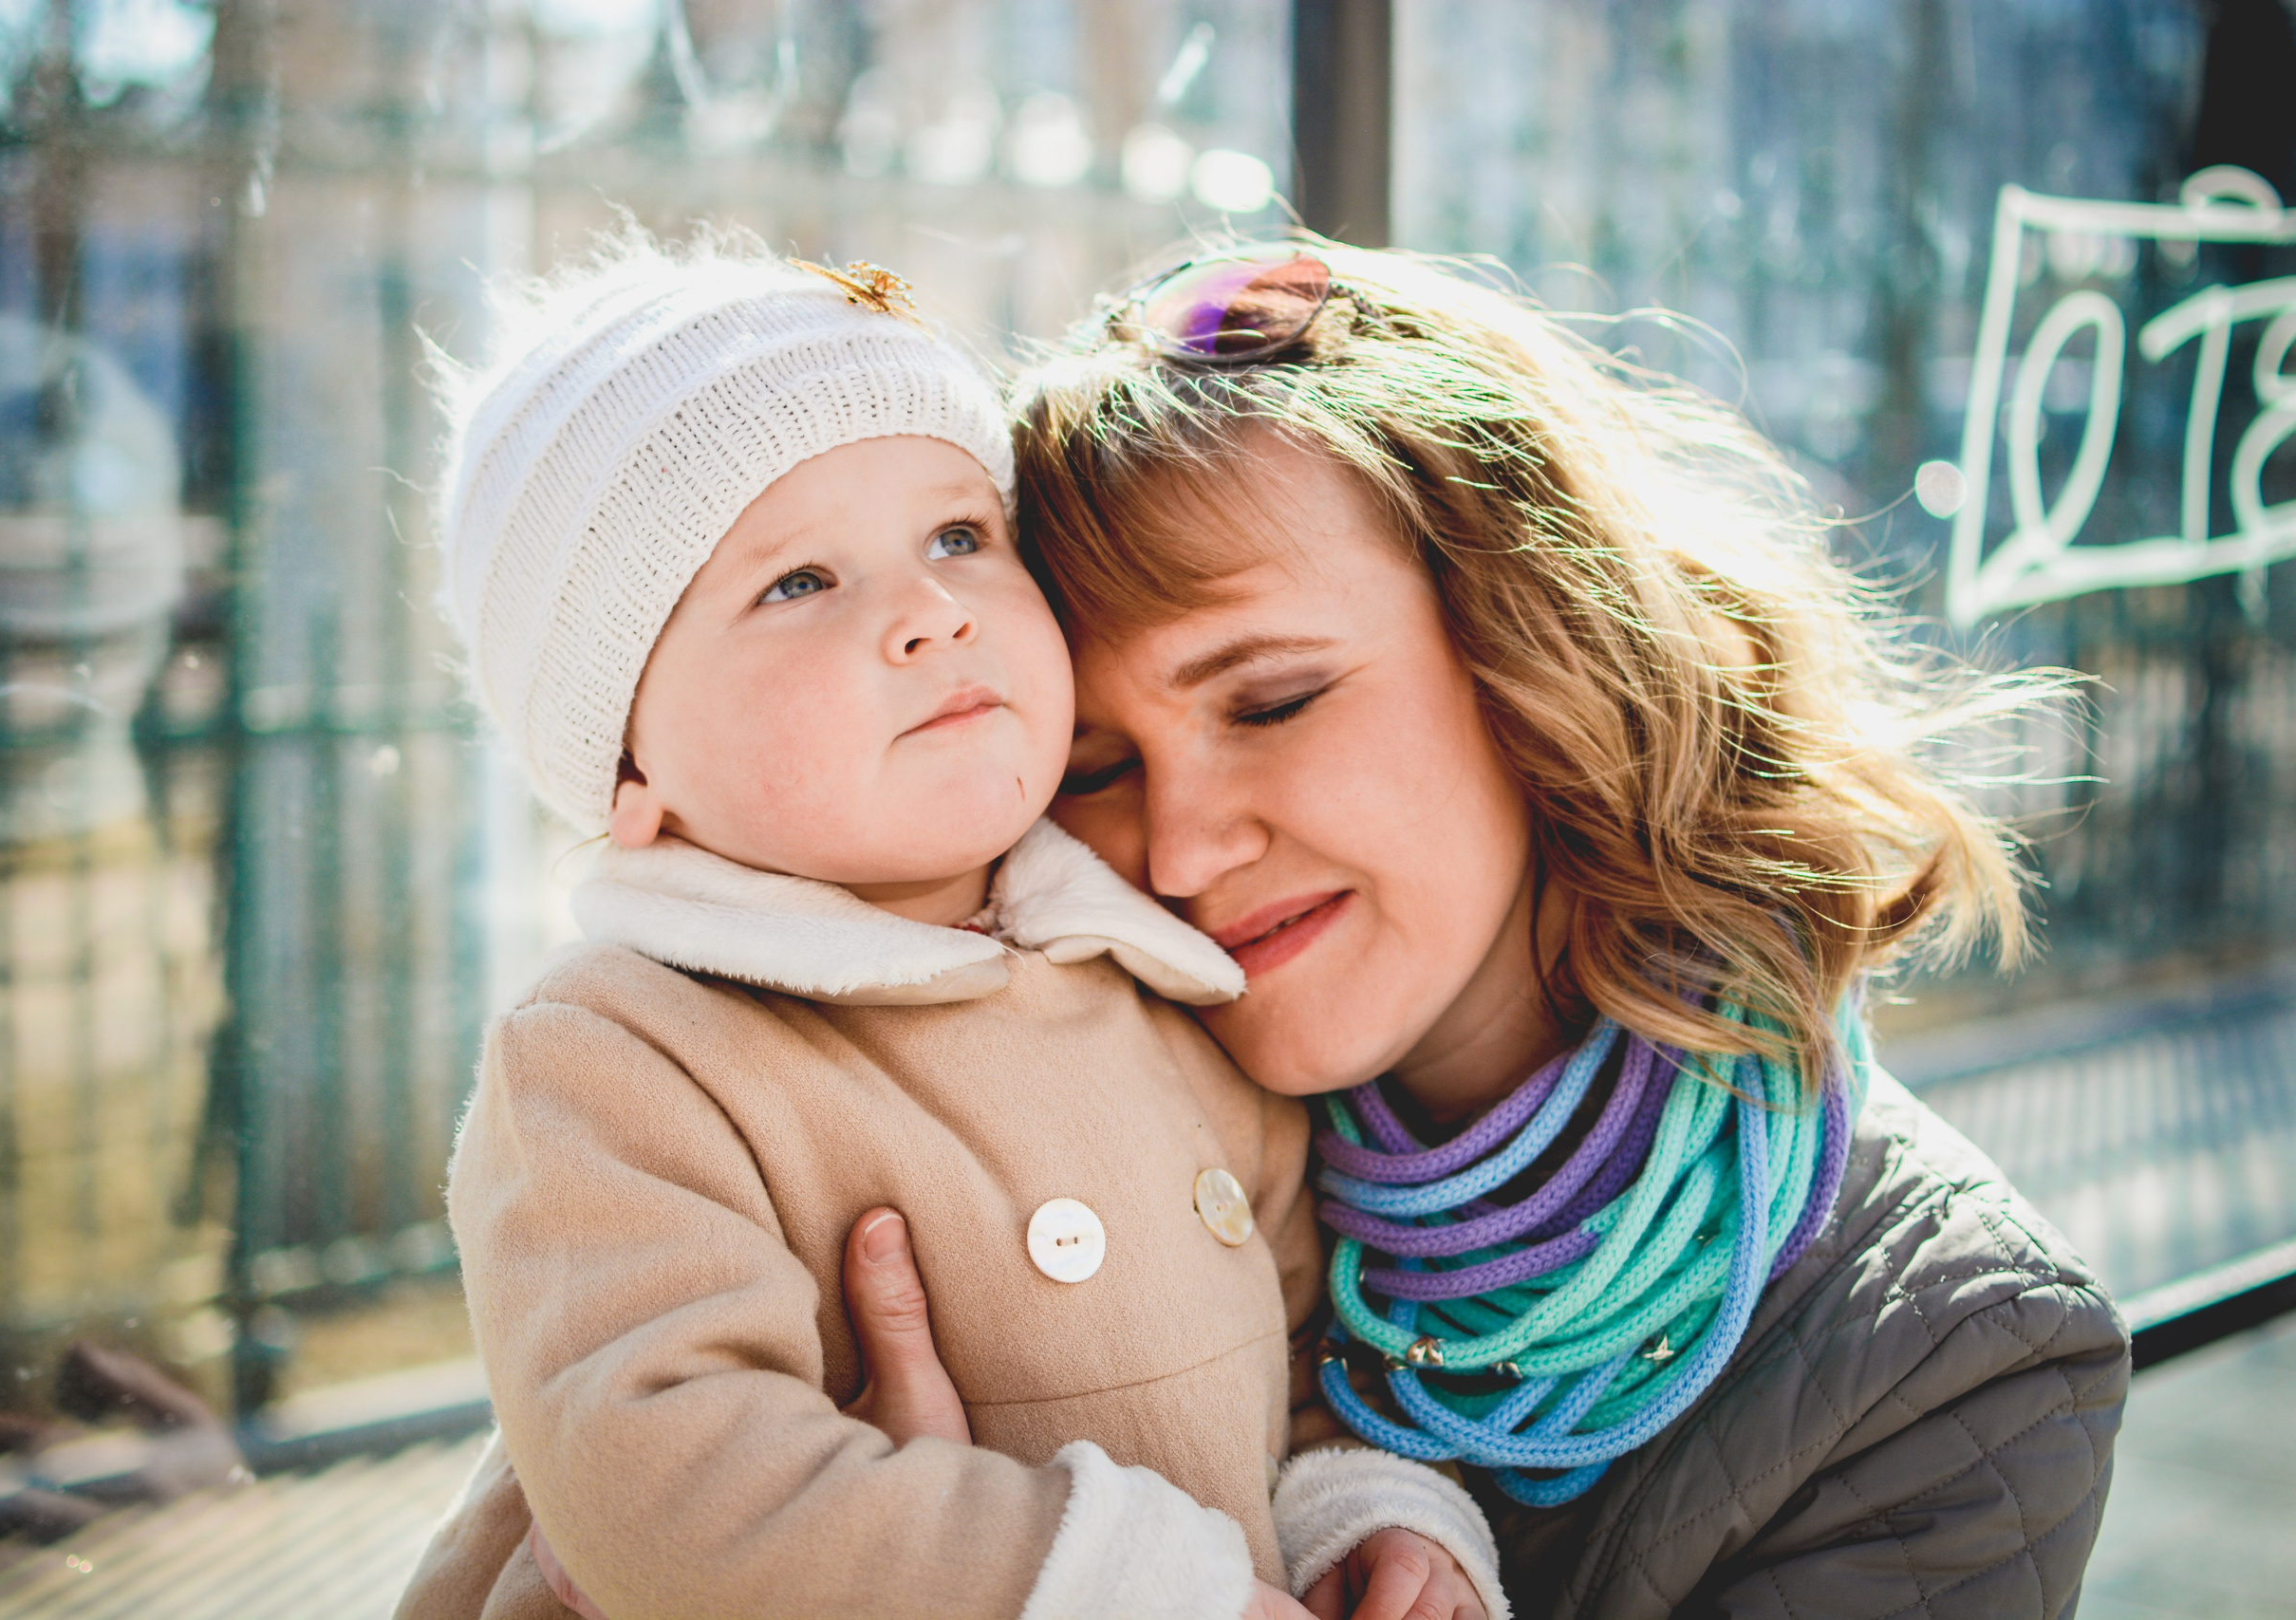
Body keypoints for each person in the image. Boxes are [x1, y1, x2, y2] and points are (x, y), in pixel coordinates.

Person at [835, 240, 2132, 1620]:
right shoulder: (974, 1161)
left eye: (1271, 700)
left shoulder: (1959, 1366)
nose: (1182, 847)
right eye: (1096, 768)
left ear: (1539, 651)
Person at [391, 232, 1503, 1620]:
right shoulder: (620, 1057)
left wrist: (1364, 1519)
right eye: (797, 582)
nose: (928, 612)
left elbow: (1291, 1363)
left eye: (960, 537)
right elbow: (668, 1479)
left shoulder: (1169, 984)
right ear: (631, 774)